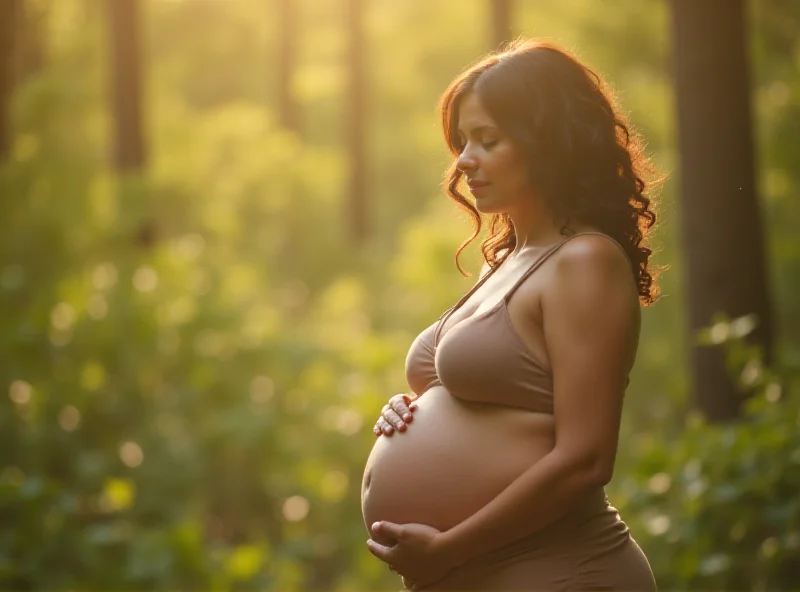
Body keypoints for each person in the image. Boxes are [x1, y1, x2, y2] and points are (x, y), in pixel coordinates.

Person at [360, 38, 661, 591]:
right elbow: (497, 403)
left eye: (487, 140)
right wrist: (412, 410)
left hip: (559, 573)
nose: (464, 160)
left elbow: (585, 459)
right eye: (462, 141)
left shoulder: (584, 261)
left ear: (549, 144)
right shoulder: (505, 260)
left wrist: (448, 550)